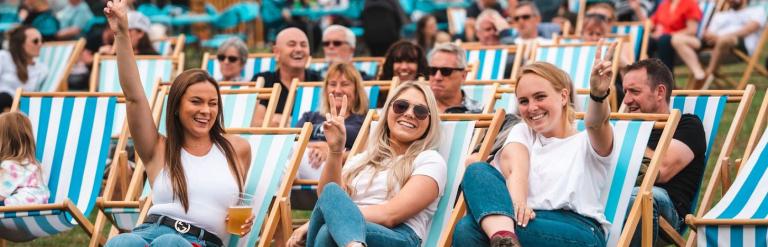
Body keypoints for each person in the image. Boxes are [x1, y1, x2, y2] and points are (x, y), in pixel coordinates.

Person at [102, 0, 254, 245]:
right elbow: (134, 98)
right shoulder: (158, 149)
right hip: (151, 230)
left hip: (202, 241)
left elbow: (238, 207)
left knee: (169, 244)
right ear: (176, 107)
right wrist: (121, 33)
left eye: (213, 103)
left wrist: (249, 219)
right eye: (196, 101)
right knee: (120, 243)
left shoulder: (237, 149)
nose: (206, 110)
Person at [453, 42, 617, 246]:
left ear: (564, 96)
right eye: (523, 101)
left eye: (540, 97)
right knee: (476, 171)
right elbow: (516, 170)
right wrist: (517, 205)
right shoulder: (523, 132)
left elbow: (596, 122)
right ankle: (505, 237)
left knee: (470, 228)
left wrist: (598, 94)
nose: (532, 108)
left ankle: (505, 235)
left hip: (578, 231)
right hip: (526, 222)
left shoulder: (589, 142)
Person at [286, 80, 446, 247]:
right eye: (401, 106)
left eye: (420, 111)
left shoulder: (430, 160)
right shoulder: (362, 159)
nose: (409, 114)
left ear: (430, 121)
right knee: (331, 194)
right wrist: (335, 150)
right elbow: (327, 198)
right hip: (344, 230)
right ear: (388, 111)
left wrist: (318, 221)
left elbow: (390, 215)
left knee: (328, 231)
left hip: (397, 235)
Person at [621, 58, 706, 246]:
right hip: (617, 203)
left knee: (640, 196)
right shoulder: (625, 127)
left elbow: (661, 171)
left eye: (634, 91)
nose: (626, 100)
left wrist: (623, 138)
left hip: (665, 213)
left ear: (660, 92)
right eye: (625, 91)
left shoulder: (688, 125)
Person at [294, 62, 370, 181]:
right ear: (326, 90)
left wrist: (333, 153)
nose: (338, 90)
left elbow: (366, 155)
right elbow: (292, 142)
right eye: (333, 84)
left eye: (345, 84)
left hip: (337, 173)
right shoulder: (310, 116)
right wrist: (322, 146)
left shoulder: (364, 122)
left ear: (356, 90)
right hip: (301, 165)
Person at [671, 0, 766, 89]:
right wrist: (710, 36)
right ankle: (699, 74)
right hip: (712, 45)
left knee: (725, 40)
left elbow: (748, 30)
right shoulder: (721, 15)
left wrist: (720, 38)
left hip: (739, 45)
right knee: (677, 39)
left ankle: (708, 74)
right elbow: (708, 33)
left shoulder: (757, 11)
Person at [250, 27, 322, 127]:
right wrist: (301, 122)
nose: (299, 49)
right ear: (276, 52)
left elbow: (326, 122)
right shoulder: (263, 81)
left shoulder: (320, 81)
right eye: (291, 44)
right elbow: (256, 123)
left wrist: (278, 118)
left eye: (303, 45)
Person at [582, 3, 635, 103]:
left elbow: (630, 81)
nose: (594, 38)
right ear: (583, 32)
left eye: (598, 34)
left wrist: (620, 60)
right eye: (590, 33)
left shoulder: (618, 44)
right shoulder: (575, 47)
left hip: (607, 86)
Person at [0, 112, 50, 206]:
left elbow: (1, 194)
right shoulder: (36, 164)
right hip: (42, 209)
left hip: (20, 208)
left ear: (4, 143)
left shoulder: (9, 166)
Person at [0, 26, 47, 112]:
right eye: (35, 41)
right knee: (4, 97)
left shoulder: (42, 69)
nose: (40, 44)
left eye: (42, 41)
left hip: (23, 110)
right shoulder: (4, 57)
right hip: (4, 103)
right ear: (21, 44)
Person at [427, 43, 484, 113]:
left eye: (446, 71)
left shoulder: (481, 112)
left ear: (463, 75)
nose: (437, 77)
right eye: (433, 70)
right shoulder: (415, 110)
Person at [648, 0, 701, 71]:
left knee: (664, 40)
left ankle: (667, 78)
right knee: (648, 41)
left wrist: (667, 34)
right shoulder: (664, 5)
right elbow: (650, 24)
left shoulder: (690, 3)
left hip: (679, 39)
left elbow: (691, 30)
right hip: (661, 38)